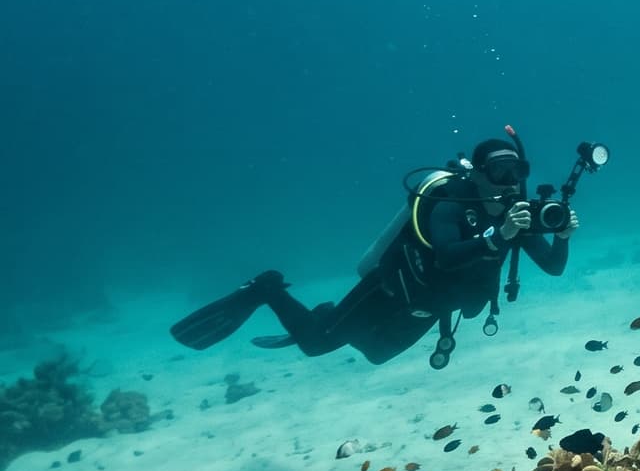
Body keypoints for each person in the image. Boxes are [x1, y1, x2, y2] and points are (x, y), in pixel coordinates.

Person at [170, 133, 576, 367]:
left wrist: (561, 238)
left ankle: (326, 315)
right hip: (390, 290)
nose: (508, 180)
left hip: (432, 307)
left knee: (375, 354)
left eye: (516, 171)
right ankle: (268, 288)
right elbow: (445, 254)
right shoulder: (452, 200)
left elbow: (554, 268)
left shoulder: (515, 216)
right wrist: (497, 236)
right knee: (316, 344)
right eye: (499, 170)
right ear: (479, 172)